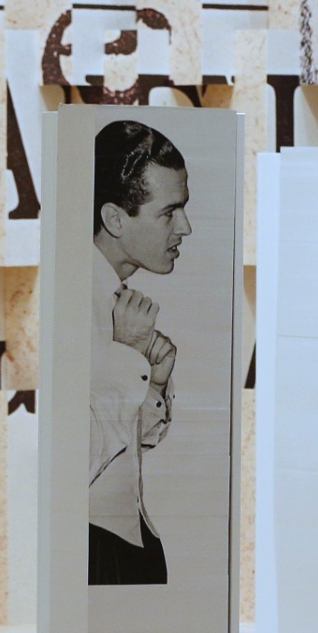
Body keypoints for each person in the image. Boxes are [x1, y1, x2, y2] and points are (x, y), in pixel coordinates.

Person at [88, 120, 188, 586]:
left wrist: (156, 383)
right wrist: (127, 355)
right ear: (115, 219)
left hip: (130, 540)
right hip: (93, 546)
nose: (184, 227)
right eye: (169, 213)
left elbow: (132, 440)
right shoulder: (76, 304)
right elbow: (82, 457)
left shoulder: (117, 300)